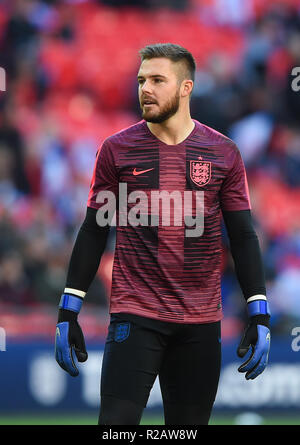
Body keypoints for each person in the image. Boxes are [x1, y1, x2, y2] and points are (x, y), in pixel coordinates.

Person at [54, 43, 271, 425]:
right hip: (135, 316)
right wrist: (68, 310)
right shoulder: (116, 150)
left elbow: (242, 235)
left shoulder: (223, 153)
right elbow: (94, 230)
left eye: (157, 80)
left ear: (186, 87)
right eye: (141, 80)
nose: (145, 89)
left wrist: (259, 310)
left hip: (201, 321)